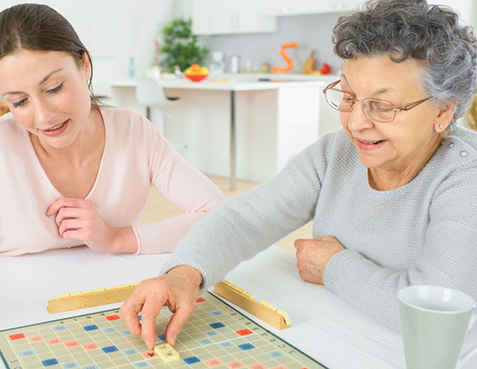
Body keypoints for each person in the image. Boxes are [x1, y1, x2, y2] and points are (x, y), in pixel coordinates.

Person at [120, 0, 477, 350]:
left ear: (443, 111)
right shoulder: (335, 153)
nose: (355, 123)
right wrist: (182, 274)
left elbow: (436, 317)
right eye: (349, 97)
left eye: (382, 106)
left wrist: (334, 266)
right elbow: (246, 219)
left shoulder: (465, 177)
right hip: (335, 334)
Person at [0, 4, 226, 324]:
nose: (44, 116)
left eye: (55, 87)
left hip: (116, 307)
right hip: (13, 315)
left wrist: (119, 238)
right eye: (19, 101)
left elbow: (218, 216)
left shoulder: (134, 132)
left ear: (84, 65)